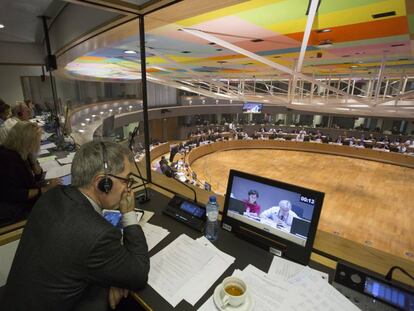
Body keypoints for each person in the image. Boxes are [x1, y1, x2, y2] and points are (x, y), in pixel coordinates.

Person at [2, 141, 150, 311]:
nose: (128, 188)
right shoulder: (98, 234)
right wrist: (129, 213)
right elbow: (138, 275)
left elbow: (75, 257)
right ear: (103, 183)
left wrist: (114, 277)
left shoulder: (53, 195)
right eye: (127, 180)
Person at [0, 122, 61, 225]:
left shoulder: (21, 152)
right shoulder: (8, 160)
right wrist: (45, 189)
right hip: (13, 211)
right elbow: (16, 194)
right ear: (28, 141)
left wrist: (32, 159)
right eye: (38, 140)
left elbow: (37, 176)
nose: (40, 142)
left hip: (19, 201)